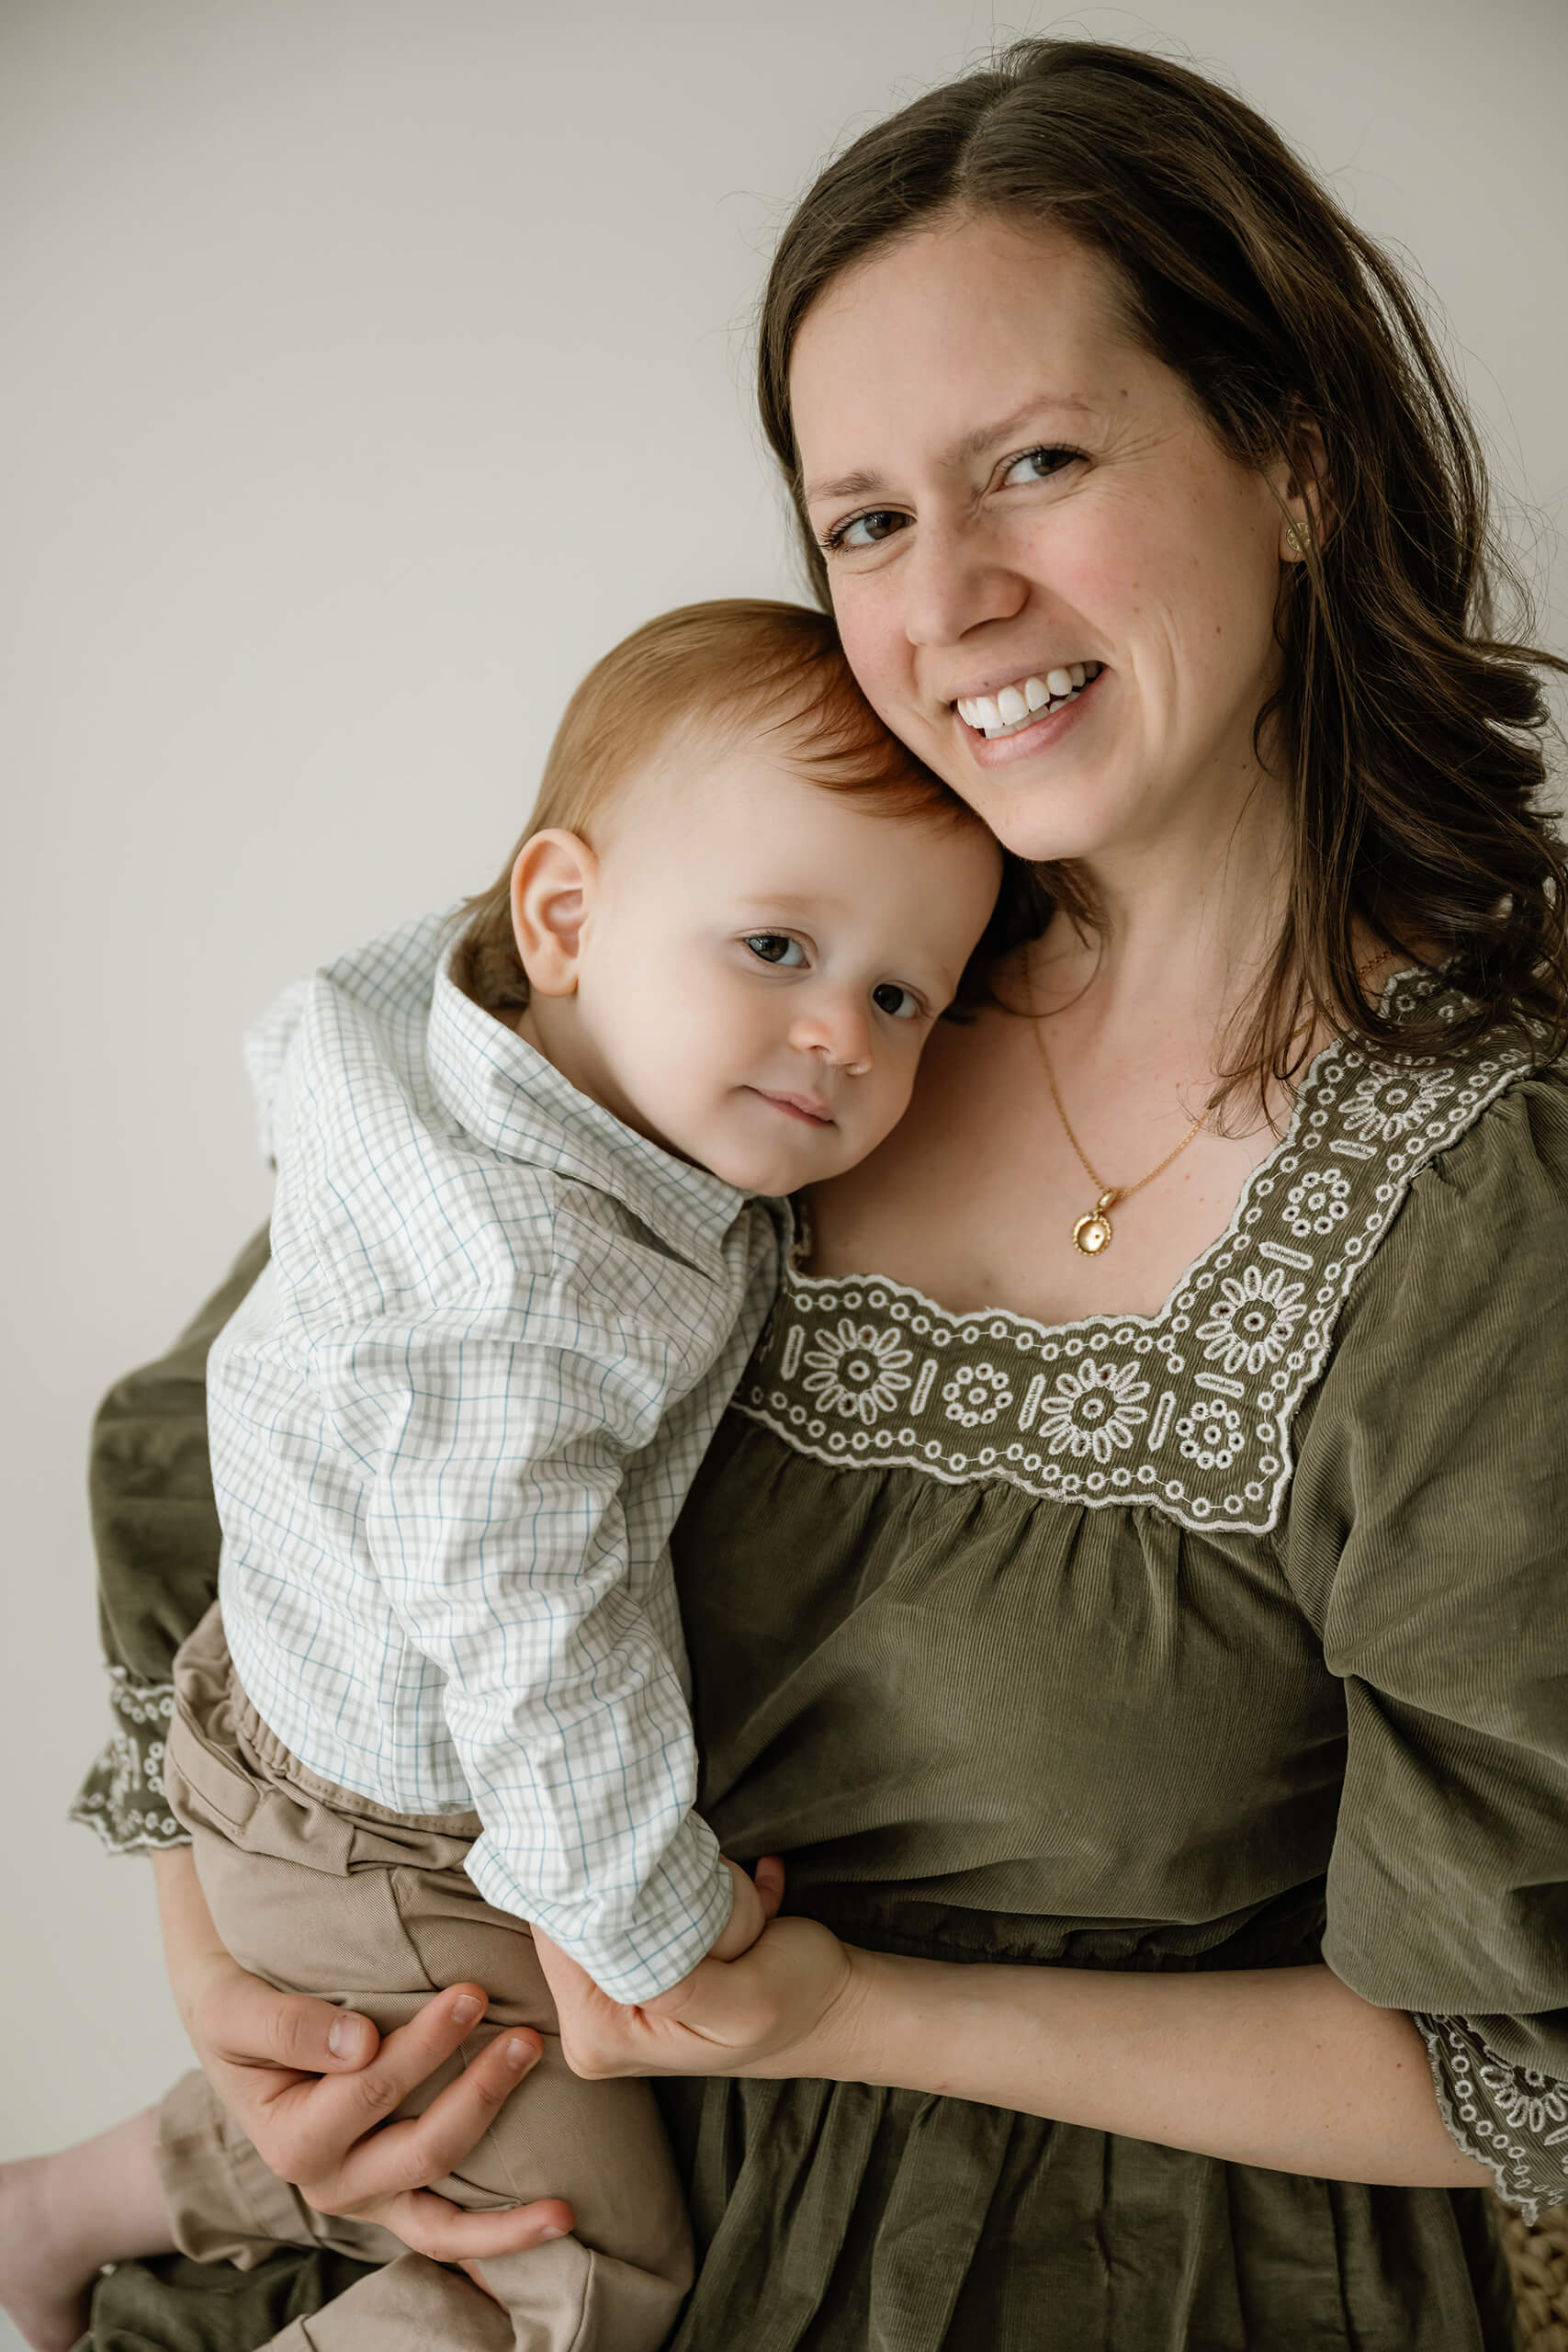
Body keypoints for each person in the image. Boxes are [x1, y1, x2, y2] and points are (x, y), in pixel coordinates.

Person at [12, 33, 1568, 2352]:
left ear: (1293, 466)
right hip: (516, 2193)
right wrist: (252, 1982)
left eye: (1031, 462)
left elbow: (1503, 2062)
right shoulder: (747, 973)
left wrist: (827, 2005)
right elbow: (269, 1423)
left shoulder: (1491, 1199)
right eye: (860, 520)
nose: (942, 599)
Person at [0, 597, 1004, 2352]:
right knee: (595, 2273)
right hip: (402, 1825)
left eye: (903, 993)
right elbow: (530, 1628)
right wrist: (656, 1921)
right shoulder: (524, 1290)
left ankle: (65, 2207)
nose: (844, 1033)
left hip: (315, 1743)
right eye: (776, 947)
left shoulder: (474, 1075)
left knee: (456, 2087)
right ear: (561, 913)